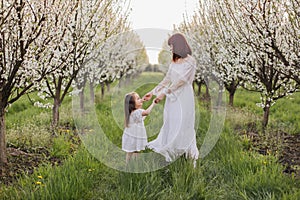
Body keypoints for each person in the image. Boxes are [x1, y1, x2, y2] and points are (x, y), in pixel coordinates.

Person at [143, 33, 199, 166]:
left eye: (172, 46)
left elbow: (181, 81)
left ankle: (185, 150)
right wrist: (153, 92)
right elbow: (167, 79)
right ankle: (172, 148)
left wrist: (163, 94)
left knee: (183, 122)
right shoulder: (174, 61)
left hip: (183, 95)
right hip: (172, 96)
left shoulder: (191, 61)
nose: (171, 49)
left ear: (179, 45)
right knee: (171, 121)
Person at [122, 92, 156, 163]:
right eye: (138, 99)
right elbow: (146, 113)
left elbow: (142, 116)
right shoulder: (137, 112)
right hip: (136, 136)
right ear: (132, 104)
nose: (140, 99)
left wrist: (141, 100)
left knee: (130, 151)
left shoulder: (131, 113)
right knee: (136, 151)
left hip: (131, 136)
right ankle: (135, 164)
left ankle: (128, 164)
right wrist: (153, 103)